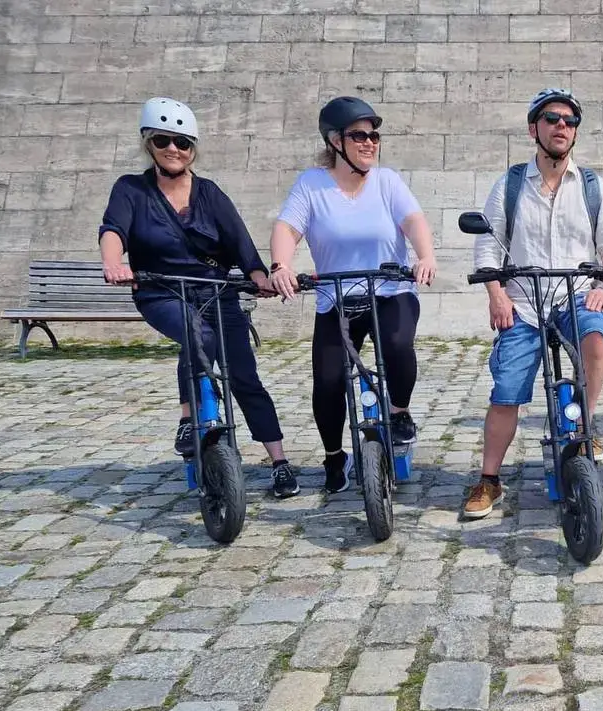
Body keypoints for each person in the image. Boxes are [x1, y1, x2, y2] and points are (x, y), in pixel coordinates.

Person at [99, 97, 299, 499]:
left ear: (193, 149)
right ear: (148, 143)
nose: (174, 149)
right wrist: (113, 262)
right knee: (195, 333)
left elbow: (240, 243)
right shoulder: (131, 189)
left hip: (215, 291)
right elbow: (113, 229)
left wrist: (260, 275)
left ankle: (278, 462)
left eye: (183, 142)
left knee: (245, 376)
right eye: (163, 140)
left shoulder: (209, 193)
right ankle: (189, 418)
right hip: (161, 290)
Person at [460, 88, 603, 521]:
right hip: (523, 301)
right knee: (507, 391)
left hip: (576, 293)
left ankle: (586, 428)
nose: (561, 126)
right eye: (552, 119)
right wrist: (496, 294)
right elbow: (487, 249)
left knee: (595, 334)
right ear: (534, 127)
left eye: (569, 121)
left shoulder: (592, 186)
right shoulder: (511, 184)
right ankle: (489, 479)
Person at [269, 96, 437, 493]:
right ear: (334, 141)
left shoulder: (387, 181)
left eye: (374, 135)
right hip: (336, 296)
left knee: (397, 343)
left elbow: (414, 221)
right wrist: (281, 266)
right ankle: (333, 457)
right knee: (327, 381)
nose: (370, 143)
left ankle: (398, 414)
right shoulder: (311, 185)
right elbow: (287, 230)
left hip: (390, 289)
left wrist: (425, 256)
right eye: (359, 135)